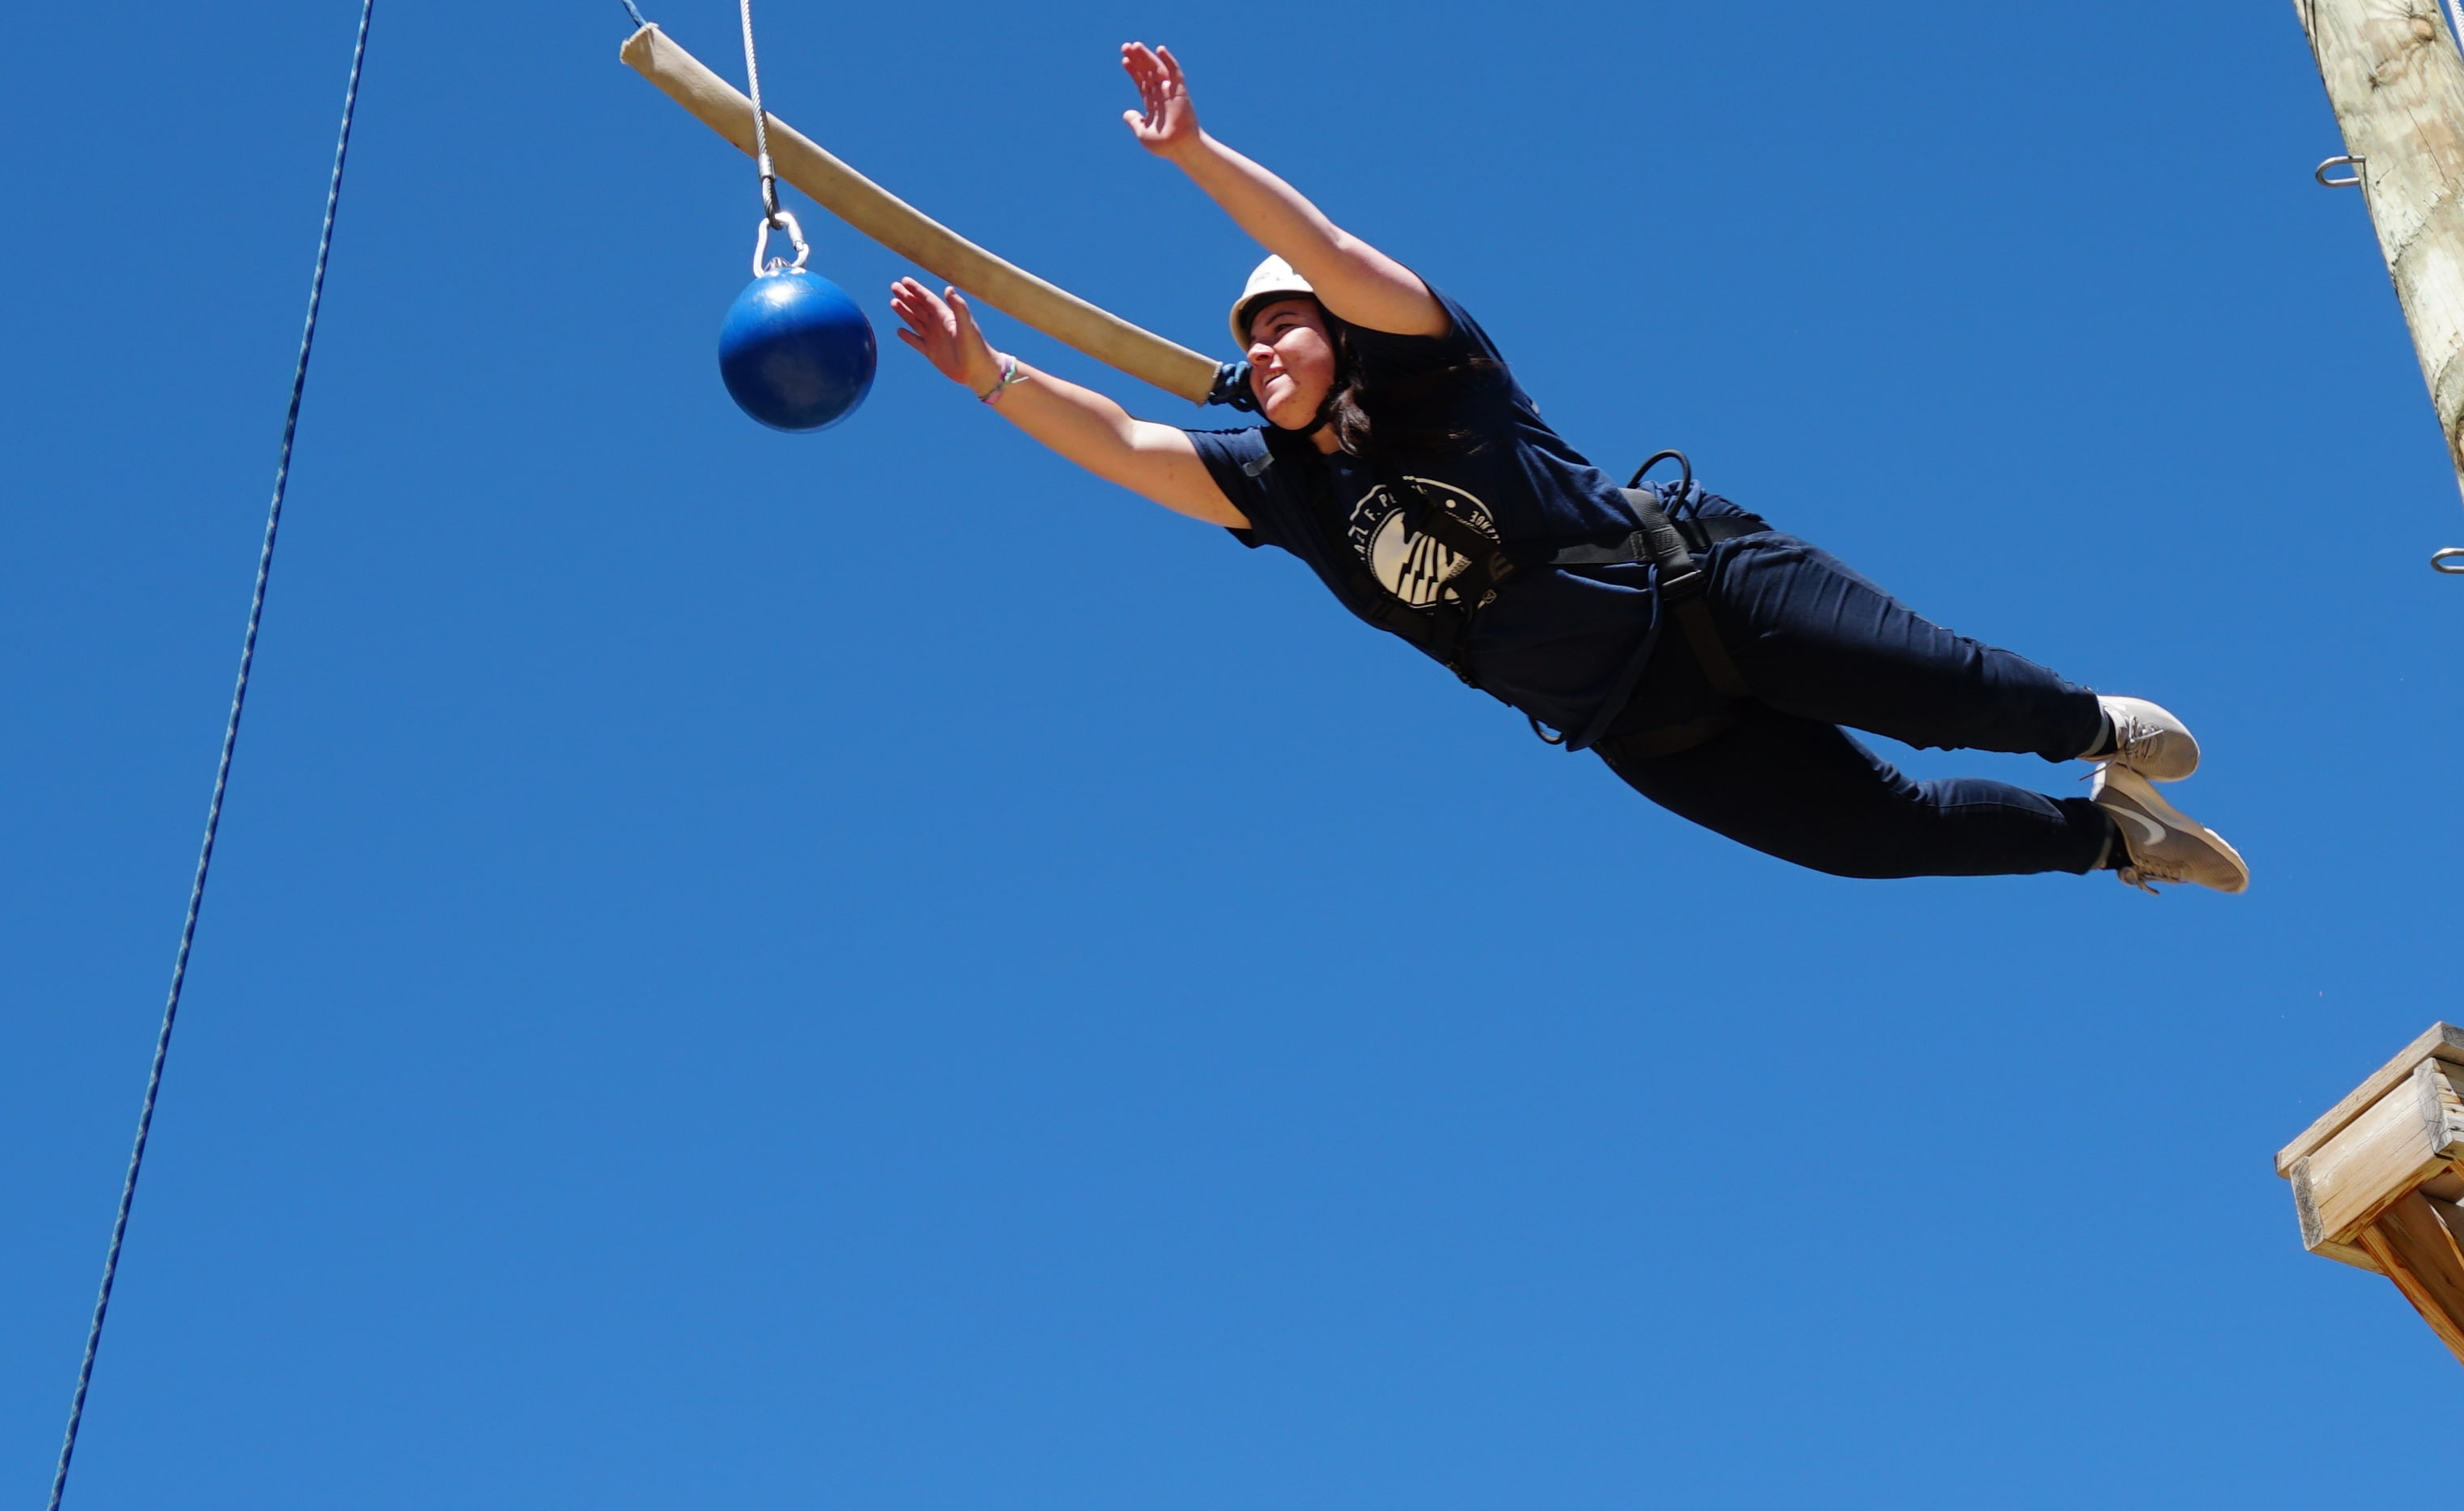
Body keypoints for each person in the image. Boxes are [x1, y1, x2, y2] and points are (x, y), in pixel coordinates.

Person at [878, 43, 2249, 892]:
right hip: (1642, 724)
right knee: (1867, 837)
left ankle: (2089, 732)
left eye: (1288, 322)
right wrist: (989, 378)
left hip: (1707, 588)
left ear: (1339, 338)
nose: (1272, 343)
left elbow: (1339, 251)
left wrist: (1193, 157)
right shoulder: (1280, 494)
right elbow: (1119, 442)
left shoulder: (1432, 369)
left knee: (1951, 696)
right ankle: (2113, 844)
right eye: (1254, 332)